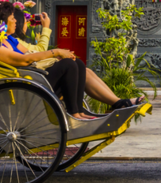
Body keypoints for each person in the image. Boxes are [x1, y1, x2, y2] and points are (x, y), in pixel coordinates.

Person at [0, 2, 95, 120]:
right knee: (68, 65)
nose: (15, 22)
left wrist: (55, 57)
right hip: (21, 87)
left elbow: (31, 53)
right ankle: (74, 114)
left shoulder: (9, 39)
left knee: (78, 63)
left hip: (31, 78)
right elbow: (25, 60)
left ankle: (80, 111)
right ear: (1, 22)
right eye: (13, 18)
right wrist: (56, 52)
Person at [11, 8, 145, 110]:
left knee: (84, 70)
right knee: (73, 66)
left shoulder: (14, 41)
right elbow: (38, 52)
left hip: (37, 74)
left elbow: (35, 52)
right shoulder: (8, 42)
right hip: (35, 79)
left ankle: (117, 101)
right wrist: (46, 30)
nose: (26, 24)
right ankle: (116, 102)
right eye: (25, 21)